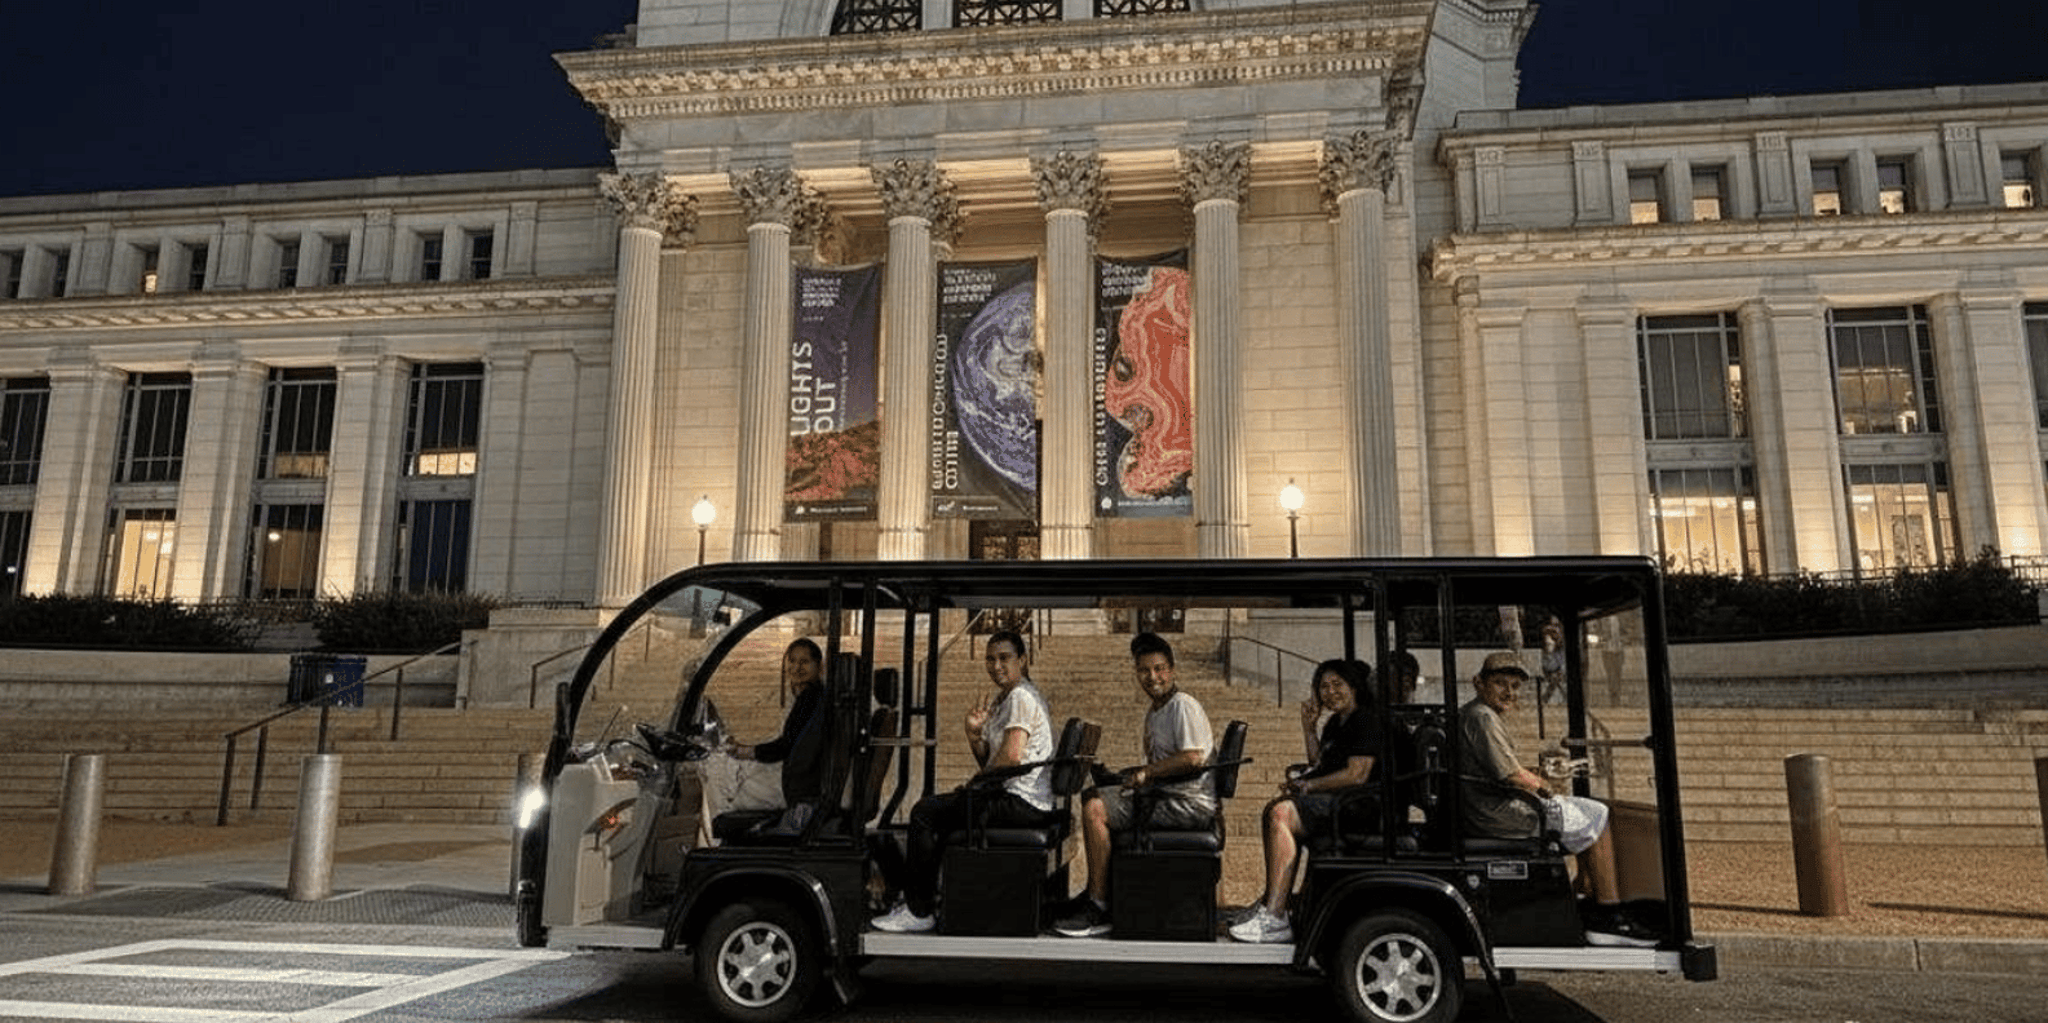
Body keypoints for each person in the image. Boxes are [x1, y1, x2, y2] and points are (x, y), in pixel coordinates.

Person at [1459, 651, 1654, 947]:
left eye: (1514, 686)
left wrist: (1536, 775)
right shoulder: (1482, 717)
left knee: (1586, 816)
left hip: (1488, 805)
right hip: (1498, 813)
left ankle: (1582, 898)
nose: (1509, 692)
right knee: (1598, 815)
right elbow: (1510, 775)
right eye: (1500, 683)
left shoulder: (1478, 714)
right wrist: (1545, 786)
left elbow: (1501, 768)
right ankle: (1608, 915)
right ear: (1479, 683)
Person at [871, 629, 1055, 934]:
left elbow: (1009, 758)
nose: (996, 665)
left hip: (1021, 800)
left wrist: (973, 785)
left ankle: (918, 909)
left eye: (1005, 658)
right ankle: (929, 897)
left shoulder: (1022, 695)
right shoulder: (1008, 698)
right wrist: (974, 735)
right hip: (1013, 794)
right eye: (990, 659)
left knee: (924, 813)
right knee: (942, 812)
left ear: (1022, 659)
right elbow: (994, 763)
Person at [1052, 632, 1216, 938]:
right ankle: (1100, 891)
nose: (1152, 677)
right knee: (1095, 793)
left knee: (1096, 808)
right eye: (1144, 670)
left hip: (1188, 801)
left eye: (1159, 668)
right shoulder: (1156, 712)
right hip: (1167, 794)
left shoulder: (1183, 705)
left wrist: (1148, 772)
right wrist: (1125, 775)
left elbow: (1194, 757)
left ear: (1173, 670)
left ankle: (1098, 905)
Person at [1228, 659, 1380, 944]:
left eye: (1337, 685)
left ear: (1354, 687)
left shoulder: (1366, 719)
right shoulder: (1336, 722)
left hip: (1362, 806)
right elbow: (1319, 764)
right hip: (1340, 802)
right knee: (1274, 809)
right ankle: (1275, 901)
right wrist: (1309, 729)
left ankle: (1274, 916)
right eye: (1323, 686)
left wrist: (1309, 786)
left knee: (1281, 814)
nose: (1330, 692)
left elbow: (1357, 774)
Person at [700, 638, 827, 826]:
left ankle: (720, 838)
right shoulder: (812, 696)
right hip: (796, 775)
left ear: (818, 666)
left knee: (717, 773)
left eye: (804, 662)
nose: (796, 667)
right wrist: (748, 749)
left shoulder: (809, 699)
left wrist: (746, 752)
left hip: (790, 783)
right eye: (792, 661)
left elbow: (784, 747)